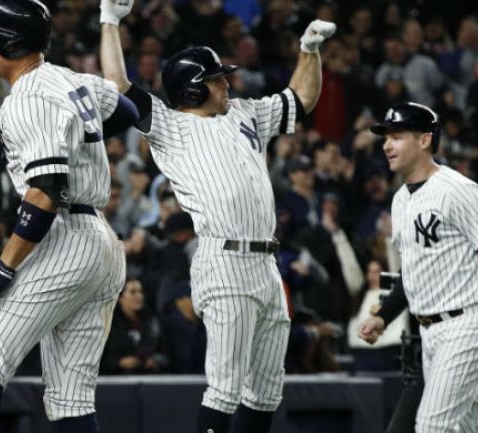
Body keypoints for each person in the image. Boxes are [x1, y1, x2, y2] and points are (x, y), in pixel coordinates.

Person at [99, 1, 335, 432]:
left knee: (266, 392)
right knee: (224, 389)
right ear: (192, 89)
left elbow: (300, 99)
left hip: (267, 264)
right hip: (223, 260)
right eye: (216, 79)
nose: (227, 83)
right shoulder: (170, 127)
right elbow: (118, 85)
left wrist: (309, 50)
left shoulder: (244, 113)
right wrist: (110, 21)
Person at [0, 1, 138, 432]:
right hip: (103, 244)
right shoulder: (71, 80)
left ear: (13, 41)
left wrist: (5, 262)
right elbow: (127, 112)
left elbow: (46, 191)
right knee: (70, 397)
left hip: (65, 238)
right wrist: (77, 131)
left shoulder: (29, 97)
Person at [357, 102, 478, 433]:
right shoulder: (400, 200)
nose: (386, 144)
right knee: (470, 429)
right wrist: (383, 315)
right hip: (432, 331)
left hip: (469, 324)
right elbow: (412, 273)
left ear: (425, 140)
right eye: (385, 137)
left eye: (396, 136)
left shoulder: (458, 191)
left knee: (431, 426)